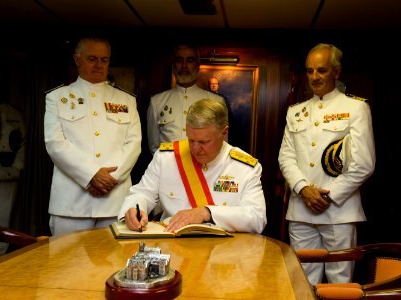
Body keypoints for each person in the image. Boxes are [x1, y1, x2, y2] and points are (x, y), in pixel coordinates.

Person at [278, 43, 375, 285]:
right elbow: (286, 157)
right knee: (302, 281)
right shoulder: (295, 112)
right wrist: (304, 189)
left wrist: (326, 197)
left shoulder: (356, 108)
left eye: (321, 70)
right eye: (310, 71)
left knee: (339, 283)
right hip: (301, 211)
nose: (314, 77)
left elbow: (364, 164)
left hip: (339, 212)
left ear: (337, 71)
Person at [119, 98, 266, 234]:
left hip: (222, 253)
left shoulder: (245, 167)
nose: (195, 149)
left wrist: (207, 212)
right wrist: (134, 209)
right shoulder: (167, 158)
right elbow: (142, 194)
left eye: (203, 142)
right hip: (172, 248)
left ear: (224, 132)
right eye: (191, 140)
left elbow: (257, 218)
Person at [44, 37, 142, 235]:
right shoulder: (58, 98)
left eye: (104, 60)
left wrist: (109, 179)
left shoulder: (126, 100)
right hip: (71, 204)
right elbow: (55, 143)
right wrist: (91, 176)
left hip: (114, 202)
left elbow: (134, 144)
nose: (99, 65)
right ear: (77, 59)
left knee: (114, 265)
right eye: (92, 59)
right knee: (65, 265)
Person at [147, 44, 225, 154]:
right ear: (174, 66)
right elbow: (154, 147)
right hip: (168, 169)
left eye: (190, 60)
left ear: (198, 66)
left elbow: (222, 145)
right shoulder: (157, 102)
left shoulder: (216, 102)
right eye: (179, 60)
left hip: (203, 169)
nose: (184, 65)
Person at [0, 97, 25, 256]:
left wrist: (15, 166)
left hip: (9, 171)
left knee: (3, 217)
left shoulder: (15, 113)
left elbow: (23, 141)